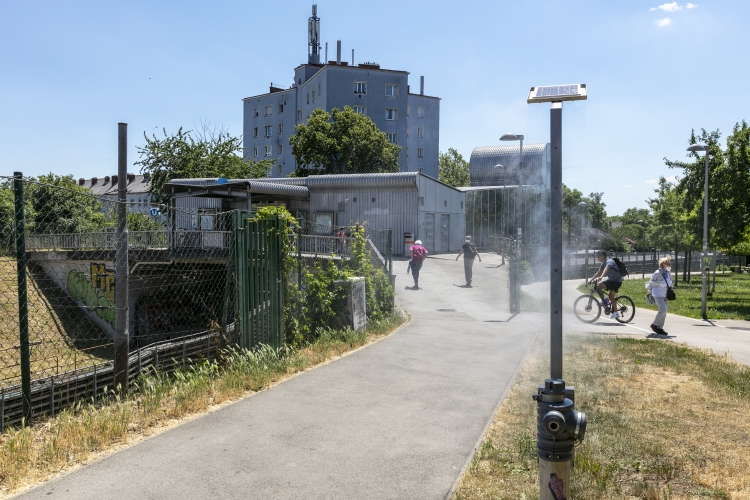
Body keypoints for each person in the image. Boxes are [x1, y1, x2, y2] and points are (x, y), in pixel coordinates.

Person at [588, 250, 623, 319]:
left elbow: (606, 268)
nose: (597, 258)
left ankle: (616, 312)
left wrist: (601, 276)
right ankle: (605, 301)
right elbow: (598, 272)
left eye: (598, 256)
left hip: (617, 282)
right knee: (598, 287)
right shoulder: (603, 264)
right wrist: (590, 280)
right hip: (611, 281)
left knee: (611, 296)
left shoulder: (609, 261)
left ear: (602, 256)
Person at [646, 257, 673, 335]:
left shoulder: (668, 272)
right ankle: (654, 325)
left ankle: (660, 328)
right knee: (663, 310)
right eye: (668, 263)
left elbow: (670, 281)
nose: (669, 265)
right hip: (657, 294)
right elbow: (650, 283)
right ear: (663, 264)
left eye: (670, 263)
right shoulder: (657, 272)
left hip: (665, 294)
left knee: (664, 312)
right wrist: (651, 293)